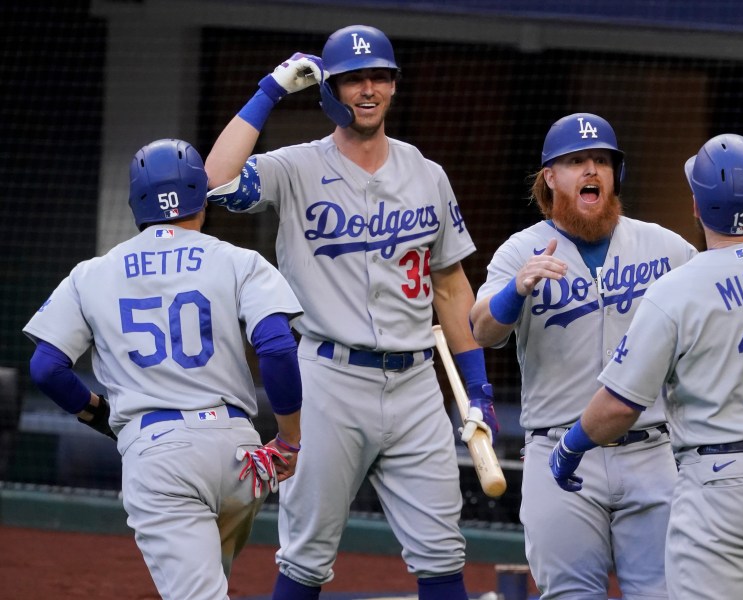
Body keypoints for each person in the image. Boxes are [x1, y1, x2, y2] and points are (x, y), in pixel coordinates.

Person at [203, 24, 497, 600]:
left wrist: (478, 384)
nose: (368, 90)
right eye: (353, 79)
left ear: (393, 85)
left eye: (380, 77)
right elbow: (215, 182)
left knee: (442, 553)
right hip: (329, 379)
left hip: (415, 383)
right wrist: (268, 90)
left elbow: (452, 287)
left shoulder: (426, 173)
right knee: (306, 557)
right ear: (329, 90)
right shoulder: (294, 168)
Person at [549, 133, 743, 599]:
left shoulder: (677, 288)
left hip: (724, 479)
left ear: (697, 207)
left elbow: (619, 405)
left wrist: (570, 446)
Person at [22, 139, 304, 600]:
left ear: (135, 202)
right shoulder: (238, 260)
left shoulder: (91, 273)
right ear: (200, 197)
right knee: (213, 584)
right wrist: (289, 438)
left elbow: (47, 369)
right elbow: (275, 346)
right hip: (239, 455)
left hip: (159, 456)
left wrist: (97, 413)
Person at [470, 112, 698, 598]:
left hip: (651, 452)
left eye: (601, 161)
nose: (590, 170)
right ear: (550, 177)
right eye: (576, 161)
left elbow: (721, 305)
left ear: (616, 174)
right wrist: (516, 289)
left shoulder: (664, 246)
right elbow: (481, 328)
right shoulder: (521, 251)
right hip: (556, 452)